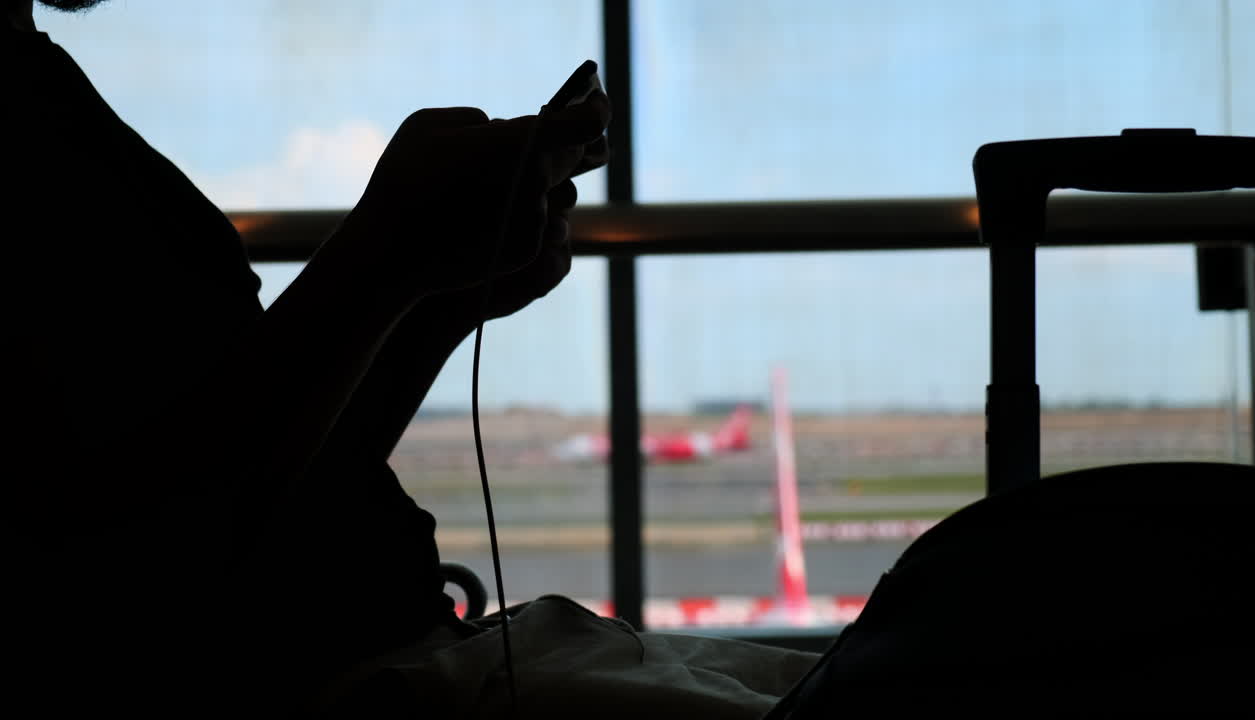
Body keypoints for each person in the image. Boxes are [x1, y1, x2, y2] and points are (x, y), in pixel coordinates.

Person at [4, 2, 819, 717]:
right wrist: (392, 256)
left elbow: (272, 474)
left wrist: (437, 300)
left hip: (414, 657)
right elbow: (132, 566)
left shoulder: (51, 101)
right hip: (371, 681)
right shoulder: (24, 133)